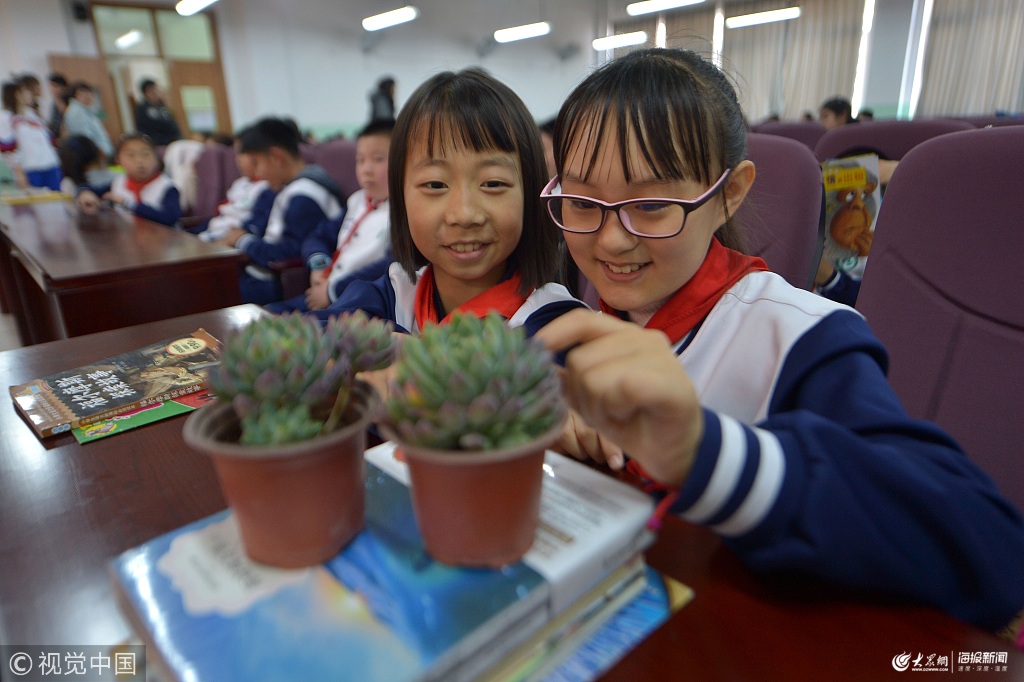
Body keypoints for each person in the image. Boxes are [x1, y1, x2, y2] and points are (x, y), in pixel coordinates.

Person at [534, 48, 1024, 633]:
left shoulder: (799, 336)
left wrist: (705, 451)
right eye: (585, 202)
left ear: (729, 194)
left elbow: (992, 552)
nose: (612, 240)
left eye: (652, 205)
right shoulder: (590, 317)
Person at [321, 68, 583, 338]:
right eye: (435, 185)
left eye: (492, 183)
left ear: (531, 193)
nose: (464, 214)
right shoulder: (393, 294)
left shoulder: (557, 326)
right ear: (401, 199)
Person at [269, 119, 394, 314]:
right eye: (360, 160)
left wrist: (333, 290)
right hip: (328, 292)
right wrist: (319, 264)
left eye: (378, 159)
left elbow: (391, 265)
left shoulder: (404, 211)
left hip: (362, 302)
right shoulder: (358, 200)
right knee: (264, 315)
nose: (366, 169)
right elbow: (317, 236)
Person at [218, 117, 344, 305]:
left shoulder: (304, 197)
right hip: (262, 274)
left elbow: (287, 255)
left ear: (276, 157)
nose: (257, 173)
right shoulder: (287, 187)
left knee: (212, 297)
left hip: (277, 284)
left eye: (257, 163)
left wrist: (242, 240)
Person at [76, 133, 181, 227]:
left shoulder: (167, 187)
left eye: (146, 154)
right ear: (118, 160)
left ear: (157, 159)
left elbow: (168, 219)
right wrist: (85, 193)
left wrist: (128, 203)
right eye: (131, 155)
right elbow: (90, 189)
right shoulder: (119, 182)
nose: (139, 161)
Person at [195, 129, 275, 242]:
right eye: (236, 154)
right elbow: (221, 214)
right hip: (213, 232)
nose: (238, 159)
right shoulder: (239, 183)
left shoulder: (267, 188)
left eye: (242, 153)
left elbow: (253, 227)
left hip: (231, 240)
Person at [1, 79, 61, 190]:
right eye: (27, 92)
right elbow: (6, 149)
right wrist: (18, 171)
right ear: (17, 94)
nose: (31, 95)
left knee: (57, 200)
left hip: (50, 164)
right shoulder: (6, 117)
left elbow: (49, 140)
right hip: (30, 168)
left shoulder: (33, 114)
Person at [63, 82, 114, 158]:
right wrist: (99, 153)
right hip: (97, 154)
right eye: (81, 94)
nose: (86, 96)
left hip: (103, 151)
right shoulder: (76, 112)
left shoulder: (87, 109)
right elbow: (85, 137)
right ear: (74, 97)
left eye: (88, 92)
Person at [134, 79, 182, 146]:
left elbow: (172, 124)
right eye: (155, 90)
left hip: (174, 143)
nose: (158, 92)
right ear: (147, 92)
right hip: (158, 145)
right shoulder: (143, 109)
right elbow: (145, 130)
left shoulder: (162, 107)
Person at [46, 73, 68, 138]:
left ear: (63, 87)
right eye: (51, 86)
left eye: (55, 86)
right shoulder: (53, 104)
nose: (52, 89)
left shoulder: (68, 102)